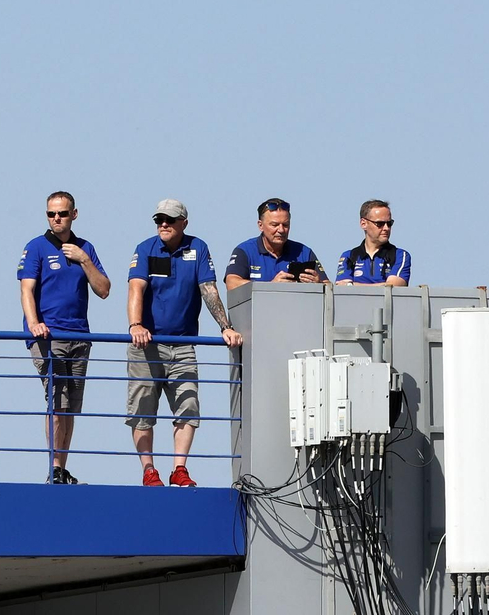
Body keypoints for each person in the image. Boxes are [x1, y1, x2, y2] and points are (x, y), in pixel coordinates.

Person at [126, 199, 243, 487]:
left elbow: (208, 289)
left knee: (188, 405)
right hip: (147, 344)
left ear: (183, 223)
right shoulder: (145, 248)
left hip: (183, 343)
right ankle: (149, 470)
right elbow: (135, 287)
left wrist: (225, 327)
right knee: (142, 409)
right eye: (159, 220)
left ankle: (179, 469)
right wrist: (136, 325)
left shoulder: (197, 248)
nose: (163, 224)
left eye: (170, 219)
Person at [18, 191, 111, 484]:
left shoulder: (85, 248)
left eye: (62, 213)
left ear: (74, 214)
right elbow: (26, 290)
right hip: (49, 336)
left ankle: (60, 467)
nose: (56, 219)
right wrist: (35, 324)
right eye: (51, 214)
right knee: (56, 401)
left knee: (71, 406)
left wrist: (84, 260)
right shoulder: (36, 247)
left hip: (79, 335)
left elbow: (104, 289)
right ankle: (54, 467)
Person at [223, 197, 326, 290]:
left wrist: (318, 284)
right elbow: (231, 283)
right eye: (274, 225)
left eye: (285, 225)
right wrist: (270, 287)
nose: (281, 230)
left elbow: (329, 286)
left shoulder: (304, 252)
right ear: (260, 225)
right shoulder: (245, 251)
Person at [334, 199, 412, 286]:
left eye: (389, 223)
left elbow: (393, 287)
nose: (386, 228)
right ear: (363, 224)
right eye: (380, 223)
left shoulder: (400, 255)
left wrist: (353, 285)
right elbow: (342, 289)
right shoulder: (349, 256)